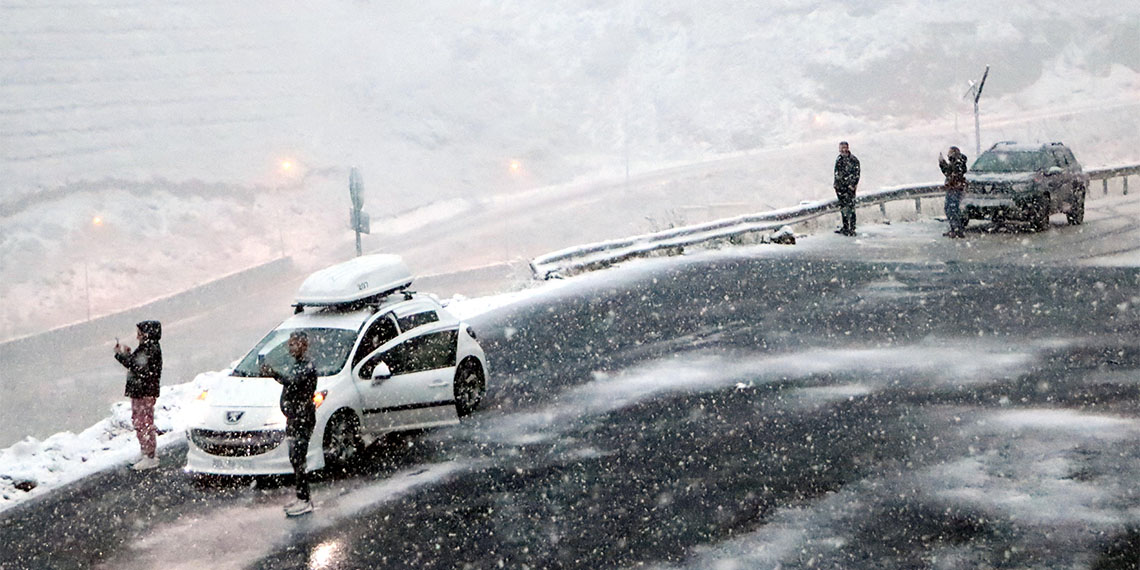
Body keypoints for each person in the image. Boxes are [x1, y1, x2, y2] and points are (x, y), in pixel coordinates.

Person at [260, 330, 318, 517]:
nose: (290, 347)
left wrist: (274, 374)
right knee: (295, 458)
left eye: (294, 344)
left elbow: (293, 381)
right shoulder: (298, 364)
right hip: (294, 418)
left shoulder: (306, 366)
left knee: (299, 458)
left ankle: (305, 499)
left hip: (302, 418)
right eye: (290, 344)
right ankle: (300, 496)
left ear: (303, 345)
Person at [113, 320, 163, 471]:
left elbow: (136, 366)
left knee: (143, 422)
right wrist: (128, 355)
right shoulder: (148, 347)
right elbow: (137, 363)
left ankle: (149, 455)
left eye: (139, 333)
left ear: (146, 334)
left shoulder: (149, 348)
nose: (137, 337)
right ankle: (146, 453)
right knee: (140, 421)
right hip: (142, 391)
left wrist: (121, 356)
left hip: (143, 392)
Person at [939, 146, 969, 238]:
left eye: (950, 152)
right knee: (951, 209)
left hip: (954, 189)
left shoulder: (957, 163)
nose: (948, 154)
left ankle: (957, 230)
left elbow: (949, 173)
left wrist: (942, 163)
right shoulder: (957, 162)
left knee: (951, 210)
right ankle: (955, 229)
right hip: (954, 189)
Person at [833, 141, 861, 236]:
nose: (843, 150)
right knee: (843, 208)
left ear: (848, 148)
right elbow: (837, 173)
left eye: (845, 147)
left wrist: (851, 185)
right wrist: (836, 184)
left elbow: (856, 174)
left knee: (851, 208)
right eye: (841, 148)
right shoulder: (839, 159)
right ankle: (845, 227)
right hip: (840, 189)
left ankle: (852, 228)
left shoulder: (853, 160)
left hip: (849, 189)